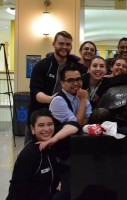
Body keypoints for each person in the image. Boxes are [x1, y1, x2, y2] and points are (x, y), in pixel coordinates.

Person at [44, 65, 91, 200]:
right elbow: (76, 125)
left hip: (76, 151)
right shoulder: (59, 100)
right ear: (62, 83)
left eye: (78, 79)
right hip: (62, 154)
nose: (76, 83)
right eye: (71, 80)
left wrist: (80, 118)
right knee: (67, 191)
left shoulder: (80, 95)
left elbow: (87, 119)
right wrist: (82, 101)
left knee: (80, 187)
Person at [26, 31, 81, 144]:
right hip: (39, 117)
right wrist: (55, 99)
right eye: (61, 44)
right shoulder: (41, 65)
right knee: (33, 152)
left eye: (68, 44)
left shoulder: (74, 66)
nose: (64, 47)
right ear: (54, 44)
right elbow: (35, 92)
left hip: (61, 121)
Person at [6, 108, 67, 200]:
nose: (46, 129)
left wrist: (55, 139)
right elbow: (16, 190)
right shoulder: (30, 154)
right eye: (41, 125)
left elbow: (75, 125)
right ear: (33, 129)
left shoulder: (52, 146)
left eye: (50, 124)